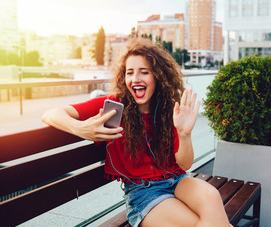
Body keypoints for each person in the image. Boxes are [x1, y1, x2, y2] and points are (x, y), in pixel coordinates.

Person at [42, 38, 232, 227]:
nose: (135, 79)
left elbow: (184, 164)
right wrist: (80, 129)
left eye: (144, 72)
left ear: (157, 75)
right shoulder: (114, 106)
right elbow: (50, 114)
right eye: (129, 73)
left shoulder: (167, 108)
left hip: (178, 180)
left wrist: (184, 134)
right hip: (144, 193)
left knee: (211, 196)